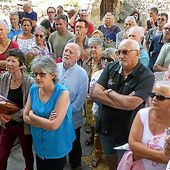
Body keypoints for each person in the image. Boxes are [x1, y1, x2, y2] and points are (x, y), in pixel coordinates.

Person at [92, 39, 155, 169]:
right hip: (106, 127)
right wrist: (124, 102)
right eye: (119, 52)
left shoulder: (147, 76)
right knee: (109, 158)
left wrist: (110, 93)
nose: (121, 55)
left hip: (128, 130)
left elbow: (131, 104)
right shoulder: (111, 67)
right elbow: (95, 93)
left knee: (125, 163)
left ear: (137, 53)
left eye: (125, 52)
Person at [23, 56, 75, 170]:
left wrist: (32, 115)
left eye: (42, 74)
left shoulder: (62, 93)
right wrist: (46, 121)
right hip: (38, 142)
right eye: (35, 74)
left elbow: (54, 125)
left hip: (56, 143)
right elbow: (24, 117)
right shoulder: (33, 89)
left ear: (52, 75)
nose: (37, 78)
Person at [0, 48, 34, 170]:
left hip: (23, 126)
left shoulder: (29, 82)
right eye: (8, 60)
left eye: (13, 61)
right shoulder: (3, 78)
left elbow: (30, 107)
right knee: (1, 156)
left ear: (21, 65)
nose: (9, 63)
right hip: (7, 125)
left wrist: (13, 116)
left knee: (27, 154)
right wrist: (0, 116)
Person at [57, 43, 88, 170]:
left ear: (77, 58)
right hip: (53, 116)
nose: (67, 53)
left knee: (73, 142)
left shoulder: (82, 74)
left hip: (71, 118)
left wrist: (63, 112)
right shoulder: (55, 67)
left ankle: (75, 164)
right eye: (66, 50)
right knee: (58, 141)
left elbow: (79, 101)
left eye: (71, 52)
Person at [127, 80, 170, 170]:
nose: (154, 99)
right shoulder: (143, 113)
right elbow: (132, 144)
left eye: (160, 97)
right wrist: (162, 156)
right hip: (135, 166)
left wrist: (141, 151)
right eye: (152, 95)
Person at [90, 48, 119, 168]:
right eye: (103, 59)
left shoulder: (117, 75)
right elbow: (92, 95)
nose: (106, 62)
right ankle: (97, 154)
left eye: (109, 59)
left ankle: (112, 156)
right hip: (98, 110)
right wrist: (109, 97)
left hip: (113, 113)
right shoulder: (97, 74)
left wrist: (104, 95)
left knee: (112, 135)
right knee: (98, 133)